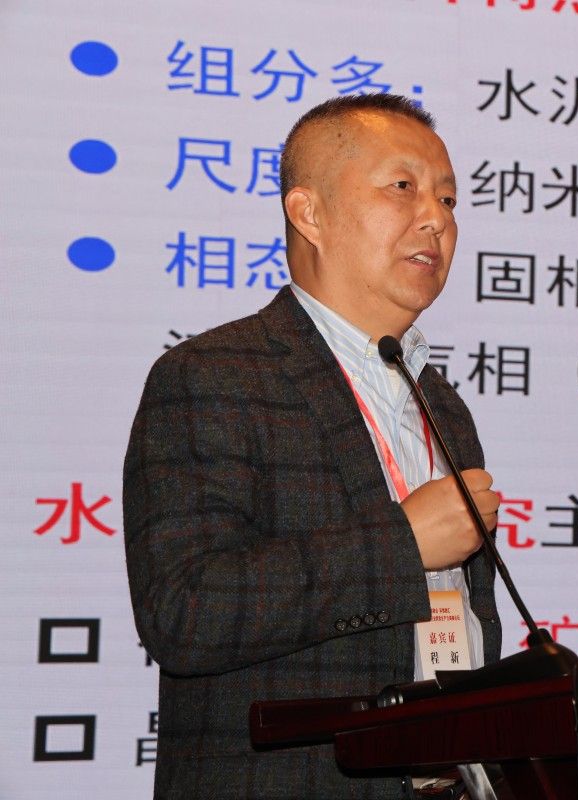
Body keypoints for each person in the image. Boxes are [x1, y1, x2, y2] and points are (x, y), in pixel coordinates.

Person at [123, 94, 502, 799]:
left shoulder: (441, 403)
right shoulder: (214, 376)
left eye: (449, 199)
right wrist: (401, 544)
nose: (437, 218)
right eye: (403, 187)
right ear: (309, 213)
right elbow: (184, 610)